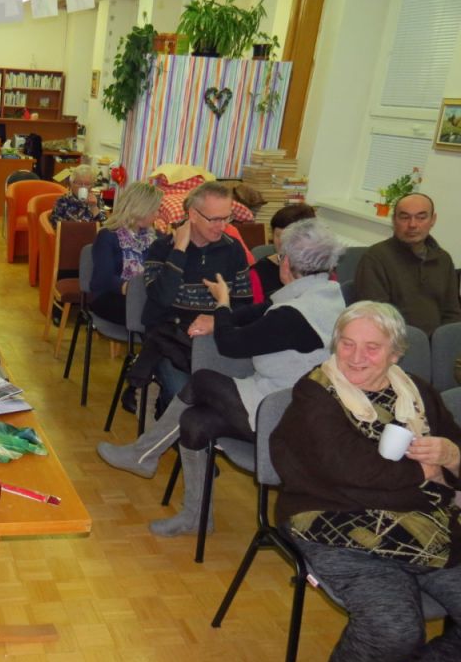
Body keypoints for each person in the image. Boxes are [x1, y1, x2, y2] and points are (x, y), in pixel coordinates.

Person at [271, 301, 461, 662]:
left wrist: (451, 456)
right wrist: (424, 472)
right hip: (335, 521)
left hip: (421, 523)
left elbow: (452, 449)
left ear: (396, 353)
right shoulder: (315, 393)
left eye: (372, 347)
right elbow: (348, 469)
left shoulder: (415, 392)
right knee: (394, 629)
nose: (356, 357)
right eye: (347, 343)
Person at [100, 218, 346, 537]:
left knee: (203, 381)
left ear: (286, 263)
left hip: (282, 417)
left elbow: (230, 344)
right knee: (195, 421)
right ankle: (195, 516)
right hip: (286, 402)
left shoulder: (293, 316)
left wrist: (222, 305)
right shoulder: (326, 295)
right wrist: (221, 316)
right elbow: (261, 310)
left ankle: (144, 454)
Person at [129, 181, 253, 408]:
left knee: (230, 397)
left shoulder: (233, 249)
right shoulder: (162, 248)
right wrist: (179, 250)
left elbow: (245, 305)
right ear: (193, 215)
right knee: (184, 395)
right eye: (214, 219)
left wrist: (217, 319)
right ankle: (164, 411)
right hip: (170, 339)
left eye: (226, 218)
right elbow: (161, 299)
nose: (222, 226)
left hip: (215, 338)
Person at [354, 193, 461, 336]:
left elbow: (452, 312)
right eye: (404, 217)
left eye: (421, 217)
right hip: (397, 341)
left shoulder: (443, 259)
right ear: (394, 220)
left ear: (433, 220)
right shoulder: (375, 259)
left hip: (437, 343)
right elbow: (377, 318)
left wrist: (444, 342)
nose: (412, 224)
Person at [88, 181, 163, 325]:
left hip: (141, 296)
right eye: (154, 210)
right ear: (140, 209)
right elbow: (103, 279)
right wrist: (135, 290)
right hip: (109, 296)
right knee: (153, 314)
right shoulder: (108, 236)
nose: (157, 214)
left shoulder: (156, 237)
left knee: (167, 312)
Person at [252, 203, 316, 298]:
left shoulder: (322, 267)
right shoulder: (258, 272)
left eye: (289, 237)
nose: (282, 242)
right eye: (278, 235)